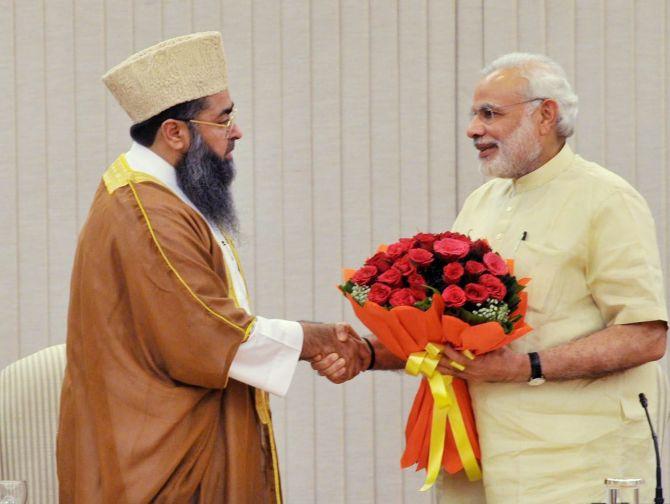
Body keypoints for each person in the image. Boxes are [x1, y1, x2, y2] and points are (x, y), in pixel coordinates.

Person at [315, 52, 669, 503]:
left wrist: (524, 368)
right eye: (473, 115)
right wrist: (367, 353)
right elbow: (452, 335)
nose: (473, 129)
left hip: (577, 461)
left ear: (545, 115)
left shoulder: (607, 200)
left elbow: (644, 336)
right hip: (478, 455)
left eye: (490, 114)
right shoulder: (483, 201)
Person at [56, 32, 370, 504]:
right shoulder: (147, 214)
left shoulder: (164, 195)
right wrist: (319, 339)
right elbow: (209, 332)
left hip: (173, 435)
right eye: (224, 119)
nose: (237, 131)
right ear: (175, 133)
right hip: (158, 460)